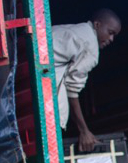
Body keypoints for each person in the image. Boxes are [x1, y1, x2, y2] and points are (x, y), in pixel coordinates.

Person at [52, 9, 121, 151]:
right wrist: (84, 130)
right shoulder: (90, 48)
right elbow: (72, 91)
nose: (111, 39)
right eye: (110, 32)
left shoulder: (72, 30)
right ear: (97, 24)